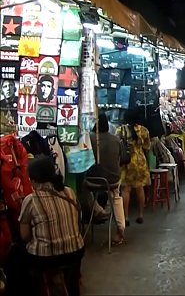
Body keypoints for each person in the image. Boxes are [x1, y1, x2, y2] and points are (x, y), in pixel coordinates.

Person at [18, 155, 85, 296]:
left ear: (34, 180)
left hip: (46, 258)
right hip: (75, 252)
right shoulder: (69, 192)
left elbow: (24, 236)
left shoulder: (31, 200)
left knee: (19, 255)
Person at [89, 112, 126, 245]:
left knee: (83, 191)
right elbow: (123, 159)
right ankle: (120, 228)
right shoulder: (115, 139)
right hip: (112, 180)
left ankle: (98, 210)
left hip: (91, 180)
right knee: (116, 197)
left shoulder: (89, 138)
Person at [117, 110, 151, 225]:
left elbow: (118, 146)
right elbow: (147, 147)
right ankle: (140, 215)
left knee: (126, 190)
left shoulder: (120, 130)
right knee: (140, 189)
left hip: (127, 162)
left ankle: (126, 217)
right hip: (140, 162)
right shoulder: (143, 130)